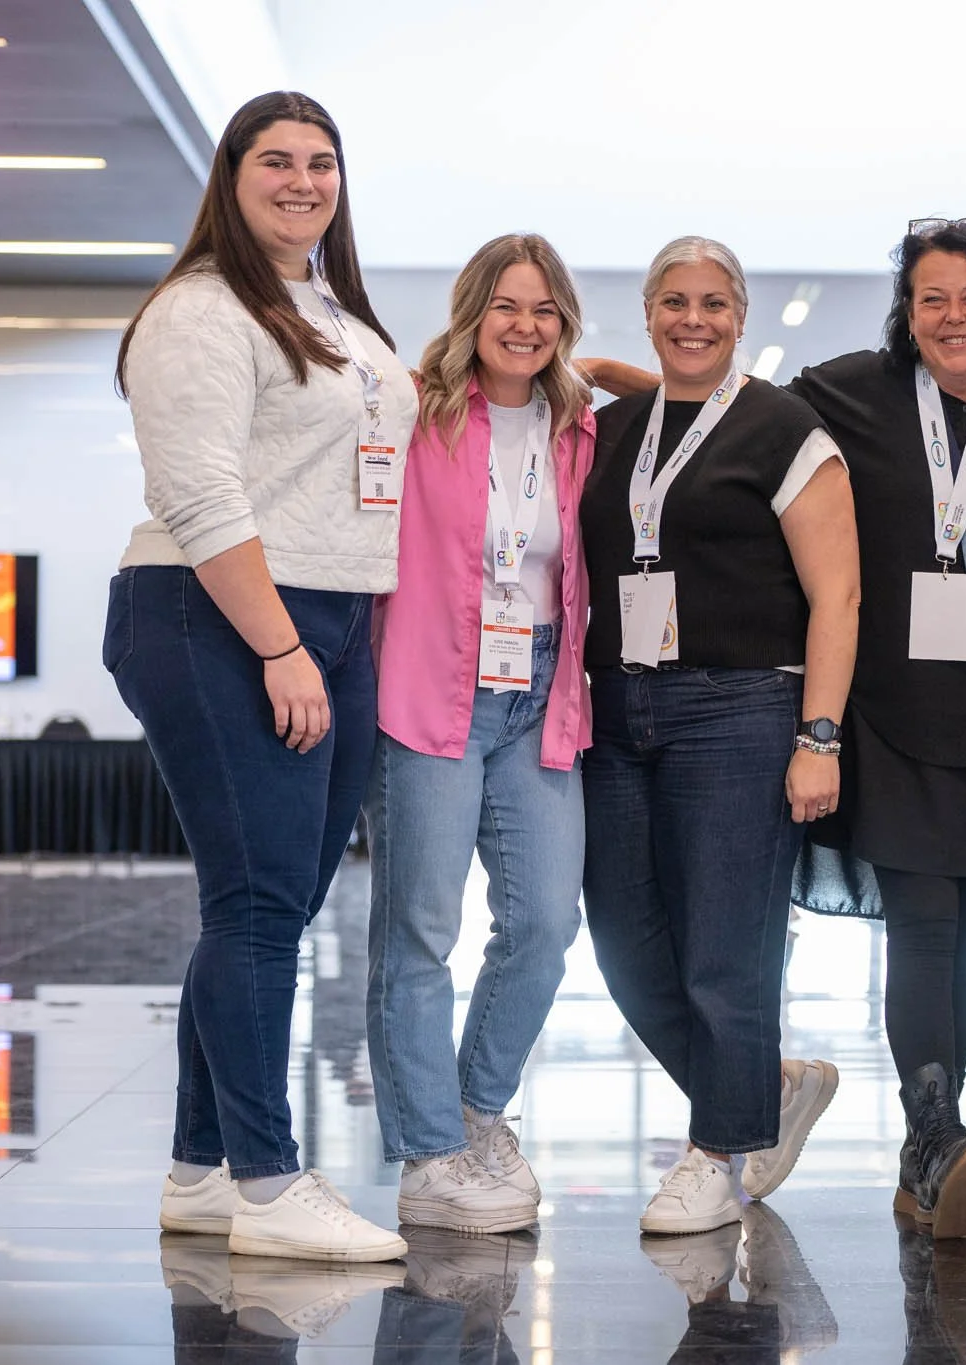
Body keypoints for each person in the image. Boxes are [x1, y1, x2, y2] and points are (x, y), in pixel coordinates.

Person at [584, 219, 966, 1241]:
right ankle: (933, 1128)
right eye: (930, 298)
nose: (951, 315)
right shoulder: (849, 392)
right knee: (922, 923)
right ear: (906, 313)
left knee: (963, 931)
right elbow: (725, 403)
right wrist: (611, 379)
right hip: (885, 712)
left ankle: (928, 1151)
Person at [105, 91, 414, 1262]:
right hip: (215, 614)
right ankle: (270, 1183)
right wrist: (280, 646)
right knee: (258, 907)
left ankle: (199, 1171)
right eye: (275, 161)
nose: (302, 182)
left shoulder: (330, 311)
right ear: (230, 177)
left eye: (321, 163)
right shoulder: (199, 310)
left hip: (328, 622)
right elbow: (199, 494)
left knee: (268, 902)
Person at [578, 236, 861, 1236]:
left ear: (740, 316)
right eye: (672, 301)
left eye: (712, 302)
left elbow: (839, 594)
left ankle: (716, 1151)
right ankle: (763, 1087)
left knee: (724, 949)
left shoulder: (786, 430)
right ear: (647, 312)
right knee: (620, 939)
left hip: (739, 708)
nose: (692, 318)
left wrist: (816, 736)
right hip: (614, 709)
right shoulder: (613, 430)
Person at [364, 234, 597, 1233]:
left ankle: (471, 1109)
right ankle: (426, 1153)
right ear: (470, 314)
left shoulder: (579, 427)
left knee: (544, 924)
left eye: (544, 311)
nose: (525, 326)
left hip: (539, 691)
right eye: (505, 306)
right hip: (428, 689)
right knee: (420, 930)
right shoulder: (417, 411)